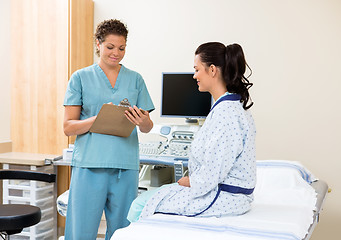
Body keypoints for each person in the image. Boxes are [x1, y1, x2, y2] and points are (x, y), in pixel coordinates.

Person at [127, 42, 256, 222]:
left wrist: (190, 182)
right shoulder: (227, 108)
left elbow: (215, 169)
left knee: (139, 205)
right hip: (218, 190)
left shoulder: (226, 114)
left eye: (197, 69)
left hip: (224, 196)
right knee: (152, 197)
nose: (194, 75)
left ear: (212, 70)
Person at [63, 19, 154, 239]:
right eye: (110, 47)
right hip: (89, 165)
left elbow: (147, 126)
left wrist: (141, 121)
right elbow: (68, 127)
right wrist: (98, 118)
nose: (116, 53)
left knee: (123, 232)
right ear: (98, 44)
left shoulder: (135, 80)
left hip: (125, 166)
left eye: (122, 48)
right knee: (81, 232)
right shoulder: (80, 78)